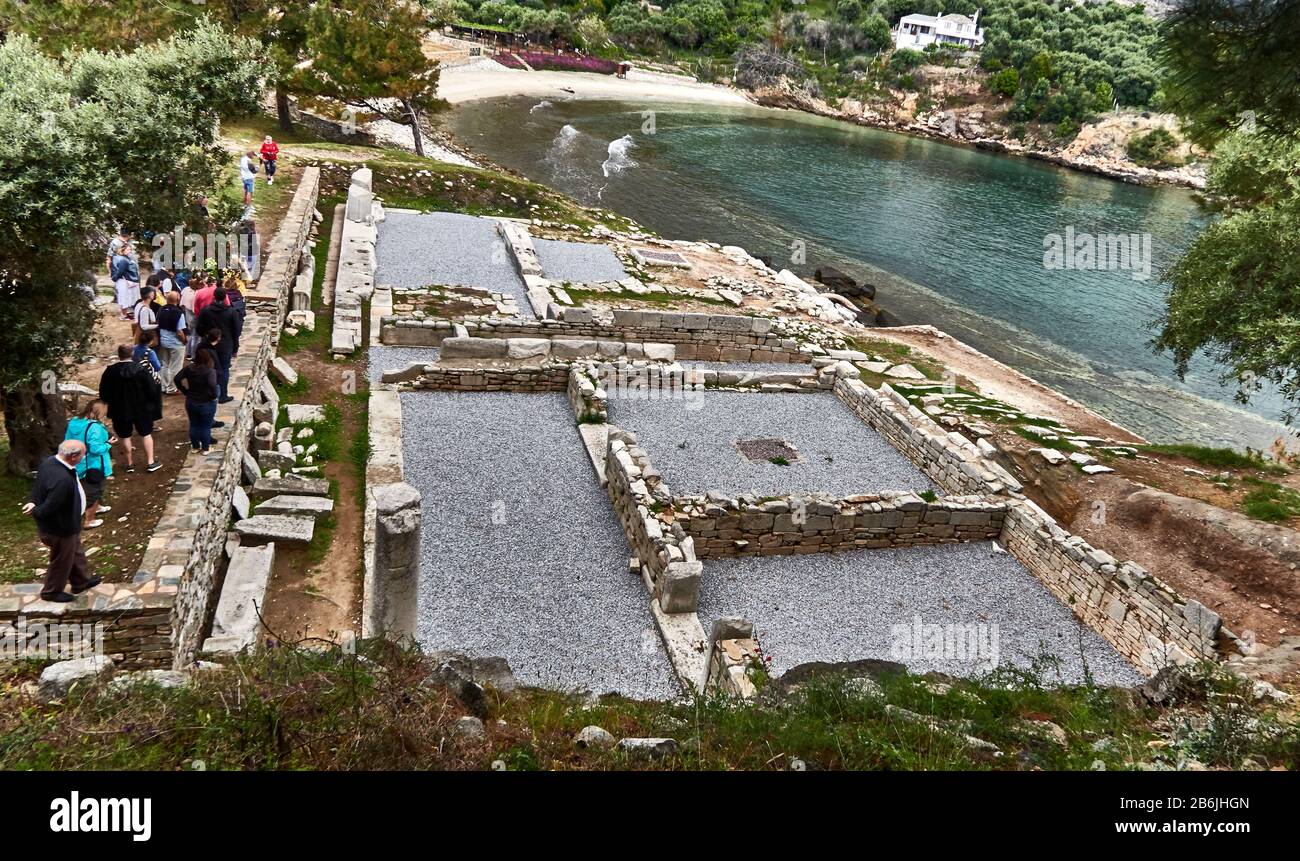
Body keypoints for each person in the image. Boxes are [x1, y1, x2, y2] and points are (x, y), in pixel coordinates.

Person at [22, 441, 102, 603]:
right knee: (61, 560)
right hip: (60, 529)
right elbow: (50, 507)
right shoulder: (62, 480)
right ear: (73, 456)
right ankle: (51, 591)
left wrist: (33, 501)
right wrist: (35, 510)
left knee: (75, 553)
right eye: (83, 454)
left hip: (68, 525)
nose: (84, 456)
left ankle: (81, 582)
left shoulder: (49, 462)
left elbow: (39, 488)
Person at [98, 344, 162, 473]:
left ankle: (129, 463)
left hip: (119, 409)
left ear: (119, 355)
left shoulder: (110, 371)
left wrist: (111, 401)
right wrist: (151, 403)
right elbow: (152, 389)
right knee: (146, 434)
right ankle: (150, 461)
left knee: (125, 436)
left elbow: (104, 392)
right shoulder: (141, 370)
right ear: (132, 354)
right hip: (142, 408)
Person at [64, 400, 115, 530]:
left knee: (86, 487)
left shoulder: (74, 422)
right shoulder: (95, 428)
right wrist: (108, 443)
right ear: (97, 413)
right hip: (93, 465)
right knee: (94, 491)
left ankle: (97, 507)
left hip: (77, 463)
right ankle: (89, 520)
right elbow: (95, 449)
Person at [195, 288, 239, 403]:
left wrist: (205, 336)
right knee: (224, 369)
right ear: (225, 297)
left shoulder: (206, 310)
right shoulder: (231, 312)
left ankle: (209, 393)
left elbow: (199, 327)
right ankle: (222, 395)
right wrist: (235, 347)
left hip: (209, 343)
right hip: (226, 344)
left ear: (214, 296)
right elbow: (237, 330)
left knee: (209, 368)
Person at [174, 350, 220, 452]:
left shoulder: (189, 369)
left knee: (194, 425)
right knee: (205, 426)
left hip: (191, 401)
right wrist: (214, 395)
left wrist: (184, 390)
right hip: (206, 402)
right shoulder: (210, 371)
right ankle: (205, 449)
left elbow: (177, 378)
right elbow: (212, 384)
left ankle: (195, 447)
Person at [156, 289, 187, 393]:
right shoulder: (178, 313)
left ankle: (163, 386)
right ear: (178, 299)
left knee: (164, 365)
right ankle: (171, 387)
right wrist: (184, 341)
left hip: (163, 341)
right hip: (175, 343)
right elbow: (179, 332)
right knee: (175, 367)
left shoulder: (161, 310)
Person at [110, 241, 141, 322]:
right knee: (124, 298)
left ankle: (125, 314)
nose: (129, 251)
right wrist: (115, 278)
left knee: (127, 297)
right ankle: (123, 315)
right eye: (127, 250)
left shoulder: (127, 258)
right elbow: (120, 271)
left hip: (128, 280)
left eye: (130, 249)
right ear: (123, 250)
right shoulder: (123, 259)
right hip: (125, 281)